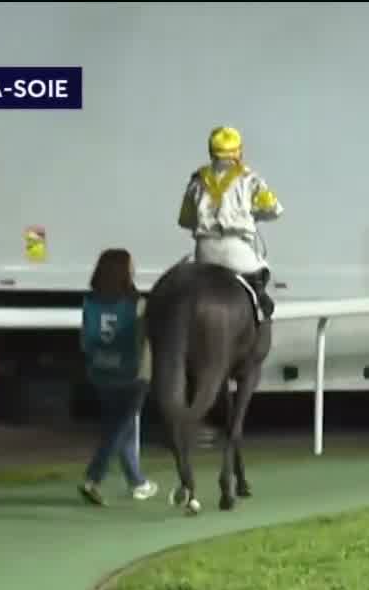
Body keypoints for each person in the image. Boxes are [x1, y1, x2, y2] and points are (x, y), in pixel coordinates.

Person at [77, 248, 158, 505]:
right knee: (118, 429)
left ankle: (138, 482)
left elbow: (84, 339)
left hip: (101, 372)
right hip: (132, 376)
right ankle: (93, 478)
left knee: (123, 429)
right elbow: (144, 340)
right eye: (131, 265)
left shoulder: (90, 301)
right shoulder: (138, 304)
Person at [178, 125, 283, 320]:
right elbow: (275, 209)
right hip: (235, 251)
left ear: (211, 151)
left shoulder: (196, 181)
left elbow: (184, 220)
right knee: (261, 272)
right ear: (238, 151)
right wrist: (253, 216)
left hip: (204, 251)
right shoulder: (250, 179)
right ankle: (260, 304)